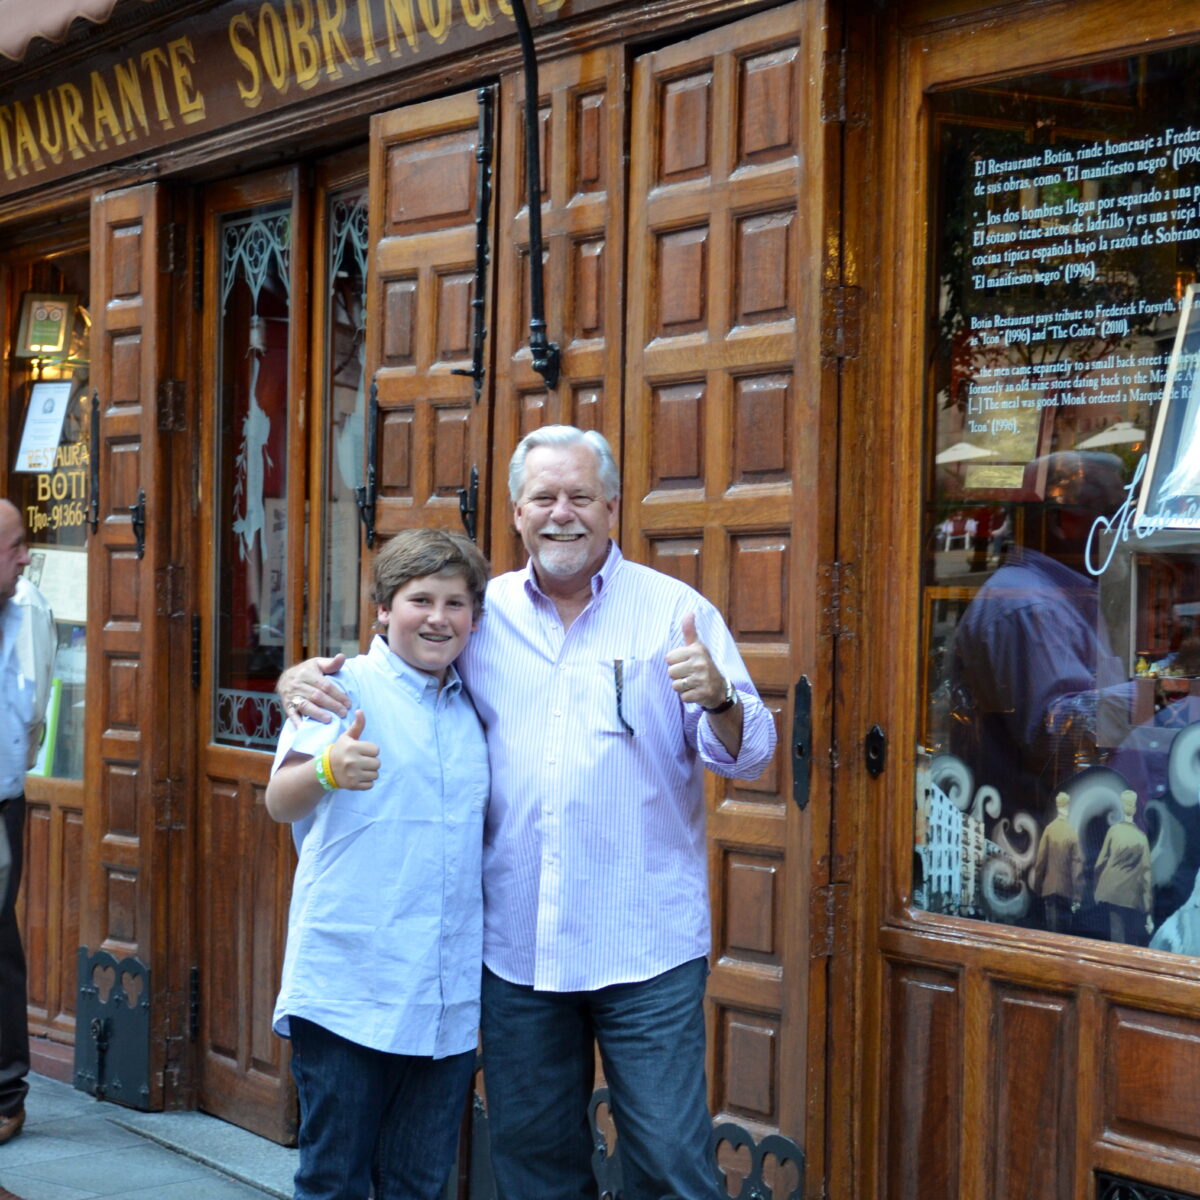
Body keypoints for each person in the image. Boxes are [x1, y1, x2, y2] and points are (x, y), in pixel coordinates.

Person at [279, 426, 777, 1200]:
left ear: (612, 507)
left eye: (580, 496)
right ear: (516, 512)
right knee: (533, 1169)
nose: (562, 514)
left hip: (642, 944)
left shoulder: (674, 612)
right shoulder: (485, 617)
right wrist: (301, 678)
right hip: (519, 949)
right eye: (544, 497)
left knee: (672, 1165)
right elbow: (405, 660)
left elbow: (749, 756)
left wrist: (717, 697)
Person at [267, 527, 490, 1200]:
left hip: (444, 996)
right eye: (420, 598)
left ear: (474, 618)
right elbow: (281, 799)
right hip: (349, 988)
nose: (439, 617)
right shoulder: (341, 688)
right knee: (334, 1180)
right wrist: (329, 769)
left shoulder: (474, 700)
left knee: (418, 1185)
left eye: (456, 603)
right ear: (383, 611)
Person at [0, 500, 54, 1148]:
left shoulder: (30, 608)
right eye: (15, 546)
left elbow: (32, 711)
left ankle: (7, 1092)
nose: (26, 557)